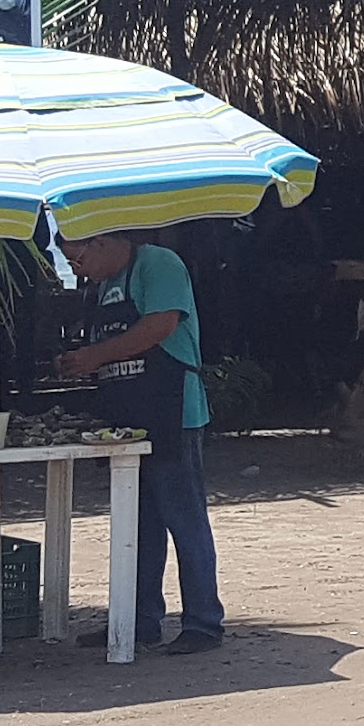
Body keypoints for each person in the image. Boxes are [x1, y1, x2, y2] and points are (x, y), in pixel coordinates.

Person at [52, 221, 223, 654]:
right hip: (128, 415)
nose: (79, 270)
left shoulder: (158, 264)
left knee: (183, 518)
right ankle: (139, 619)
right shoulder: (103, 285)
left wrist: (95, 355)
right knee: (138, 522)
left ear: (102, 241)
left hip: (172, 412)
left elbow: (159, 326)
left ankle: (203, 623)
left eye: (80, 259)